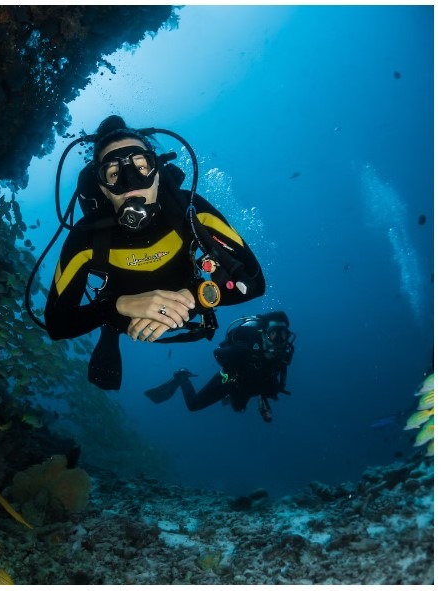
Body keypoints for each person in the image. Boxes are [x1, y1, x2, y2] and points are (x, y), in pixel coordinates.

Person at [43, 115, 265, 390]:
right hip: (122, 317)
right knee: (109, 321)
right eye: (113, 174)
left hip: (191, 302)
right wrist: (116, 306)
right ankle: (109, 331)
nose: (130, 182)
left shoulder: (191, 210)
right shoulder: (86, 237)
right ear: (102, 187)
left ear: (157, 172)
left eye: (141, 166)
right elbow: (57, 324)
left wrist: (195, 297)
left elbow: (254, 282)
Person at [145, 311, 295, 422]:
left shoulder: (283, 354)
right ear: (264, 334)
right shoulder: (248, 345)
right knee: (194, 405)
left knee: (238, 408)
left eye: (284, 335)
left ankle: (239, 399)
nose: (280, 340)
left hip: (250, 387)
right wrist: (245, 354)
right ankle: (182, 378)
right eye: (275, 334)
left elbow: (276, 379)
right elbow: (218, 353)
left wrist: (266, 395)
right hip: (229, 381)